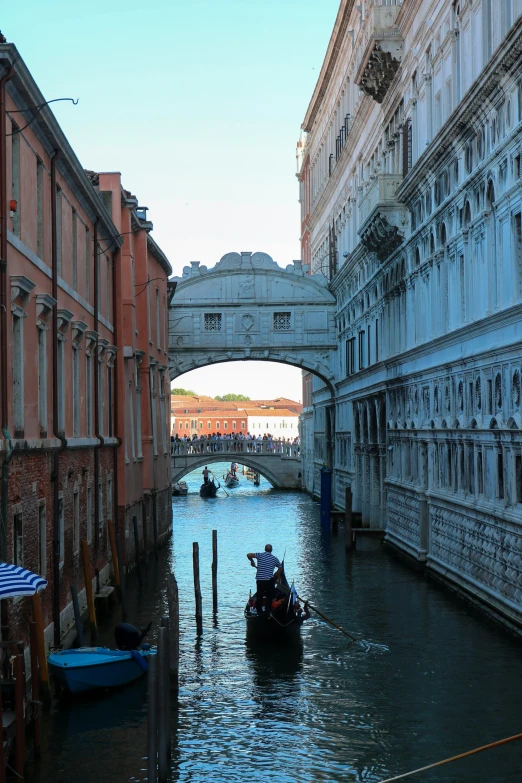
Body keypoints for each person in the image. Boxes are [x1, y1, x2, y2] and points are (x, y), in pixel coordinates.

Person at [246, 544, 283, 616]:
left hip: (260, 580)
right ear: (271, 550)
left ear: (264, 549)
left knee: (259, 596)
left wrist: (252, 561)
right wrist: (276, 575)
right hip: (269, 580)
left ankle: (259, 612)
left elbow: (248, 555)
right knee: (270, 596)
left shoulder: (260, 555)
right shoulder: (274, 558)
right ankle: (268, 610)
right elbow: (280, 568)